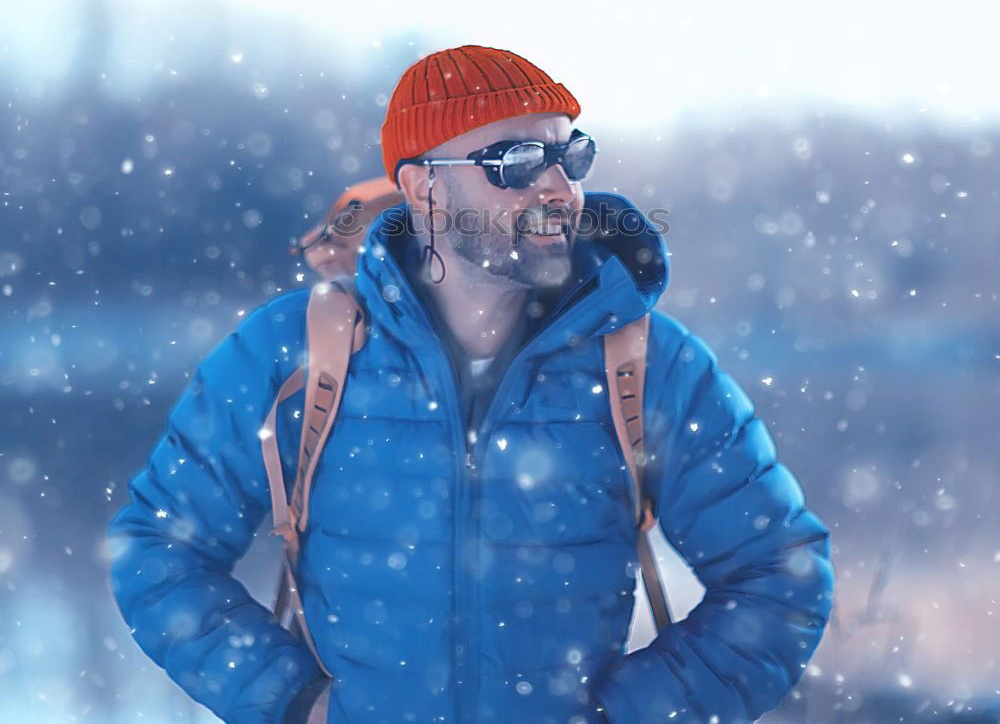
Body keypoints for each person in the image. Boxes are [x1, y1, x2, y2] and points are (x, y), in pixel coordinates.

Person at [107, 45, 834, 724]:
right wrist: (297, 705)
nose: (559, 187)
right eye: (516, 161)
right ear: (423, 188)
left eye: (569, 154)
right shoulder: (295, 353)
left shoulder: (648, 364)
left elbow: (782, 577)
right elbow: (157, 552)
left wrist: (628, 713)